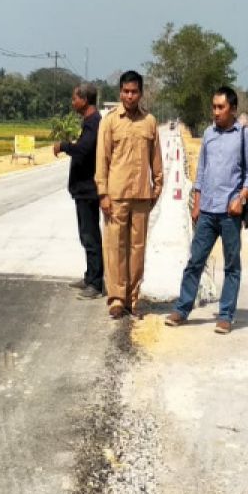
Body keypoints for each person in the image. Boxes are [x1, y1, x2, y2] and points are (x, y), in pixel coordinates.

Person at [164, 86, 248, 334]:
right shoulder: (208, 134)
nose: (215, 112)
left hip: (230, 213)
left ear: (233, 109)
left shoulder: (243, 136)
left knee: (231, 265)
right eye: (214, 107)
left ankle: (226, 315)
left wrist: (242, 197)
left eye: (221, 107)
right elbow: (202, 169)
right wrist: (196, 199)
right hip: (206, 211)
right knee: (195, 261)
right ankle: (182, 309)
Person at [95, 71, 163, 320]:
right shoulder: (110, 122)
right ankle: (116, 298)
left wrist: (157, 187)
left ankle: (133, 298)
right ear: (120, 92)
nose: (130, 96)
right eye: (126, 91)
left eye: (134, 91)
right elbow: (102, 159)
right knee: (115, 247)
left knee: (137, 248)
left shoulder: (150, 122)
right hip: (116, 195)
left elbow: (156, 158)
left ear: (141, 93)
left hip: (142, 196)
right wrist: (102, 193)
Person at [54, 83, 103, 299]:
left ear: (84, 100)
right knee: (86, 236)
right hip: (82, 189)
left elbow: (83, 151)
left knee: (91, 236)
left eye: (74, 99)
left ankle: (95, 283)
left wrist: (65, 146)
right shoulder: (89, 123)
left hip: (88, 189)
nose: (73, 102)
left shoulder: (93, 123)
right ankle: (89, 276)